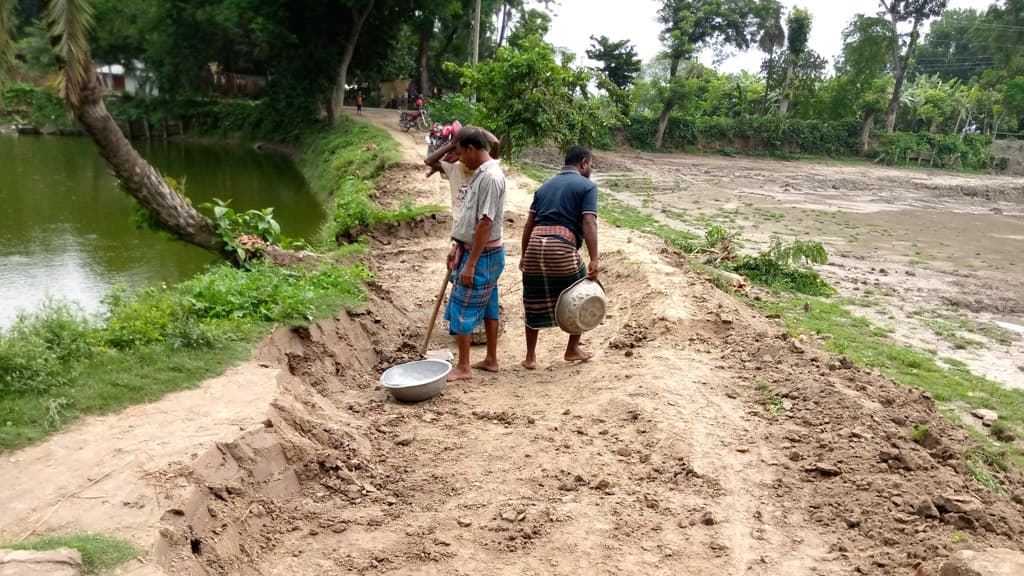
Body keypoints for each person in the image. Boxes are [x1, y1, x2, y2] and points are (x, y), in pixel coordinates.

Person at [519, 146, 599, 370]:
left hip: (535, 244)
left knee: (532, 298)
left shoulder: (544, 186)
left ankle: (530, 357)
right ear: (583, 163)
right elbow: (589, 222)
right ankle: (572, 349)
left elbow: (529, 224)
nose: (590, 169)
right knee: (584, 291)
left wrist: (525, 255)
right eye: (590, 165)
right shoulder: (587, 186)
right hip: (561, 245)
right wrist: (594, 259)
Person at [444, 128, 507, 381]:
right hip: (480, 252)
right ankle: (491, 359)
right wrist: (458, 245)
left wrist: (470, 264)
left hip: (483, 256)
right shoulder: (480, 175)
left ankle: (463, 366)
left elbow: (485, 223)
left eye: (460, 153)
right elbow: (470, 218)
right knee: (490, 304)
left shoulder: (491, 177)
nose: (459, 159)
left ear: (471, 149)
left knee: (461, 306)